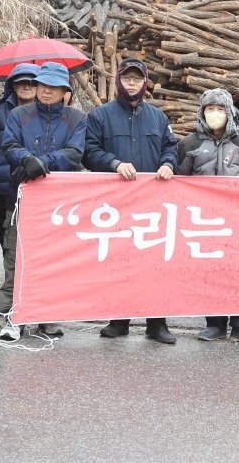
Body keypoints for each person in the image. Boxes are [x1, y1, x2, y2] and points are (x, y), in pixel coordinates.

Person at [83, 56, 179, 344]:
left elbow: (170, 148)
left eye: (137, 78)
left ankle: (156, 322)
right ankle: (119, 319)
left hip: (153, 202)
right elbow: (88, 152)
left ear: (145, 81)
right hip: (116, 202)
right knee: (120, 259)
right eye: (128, 78)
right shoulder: (100, 116)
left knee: (155, 261)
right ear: (118, 80)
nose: (133, 83)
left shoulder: (159, 118)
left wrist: (169, 164)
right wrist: (113, 163)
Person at [0, 61, 86, 340]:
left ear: (65, 92)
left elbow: (74, 153)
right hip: (23, 197)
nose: (47, 91)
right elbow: (9, 144)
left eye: (54, 87)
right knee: (16, 255)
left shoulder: (76, 119)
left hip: (60, 201)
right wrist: (26, 159)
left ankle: (47, 316)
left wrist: (42, 162)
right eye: (43, 85)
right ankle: (13, 316)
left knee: (54, 257)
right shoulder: (19, 114)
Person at [177, 89, 239, 347]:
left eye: (220, 109)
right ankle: (214, 323)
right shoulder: (189, 144)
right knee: (211, 272)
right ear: (202, 112)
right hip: (206, 220)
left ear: (229, 112)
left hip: (237, 218)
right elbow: (181, 182)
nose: (215, 114)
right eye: (210, 109)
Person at [0, 64, 40, 247]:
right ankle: (11, 273)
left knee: (30, 236)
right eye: (21, 82)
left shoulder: (46, 112)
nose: (26, 86)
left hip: (33, 182)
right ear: (13, 85)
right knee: (2, 232)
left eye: (32, 82)